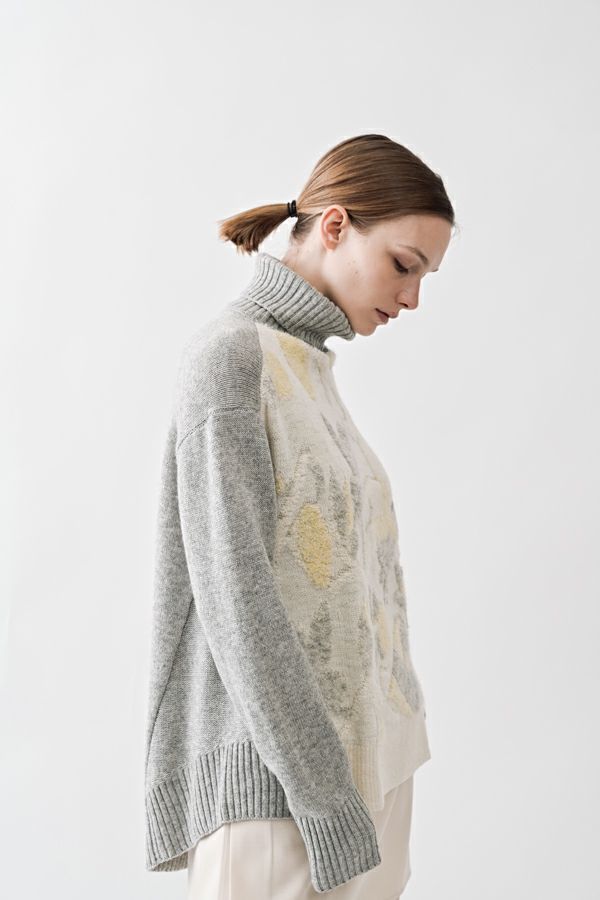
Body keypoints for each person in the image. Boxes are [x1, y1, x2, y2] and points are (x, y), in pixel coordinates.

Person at [144, 133, 455, 899]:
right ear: (336, 225)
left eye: (425, 277)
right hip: (282, 799)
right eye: (404, 265)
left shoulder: (307, 367)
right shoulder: (231, 359)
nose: (412, 299)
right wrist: (324, 798)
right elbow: (237, 604)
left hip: (366, 787)